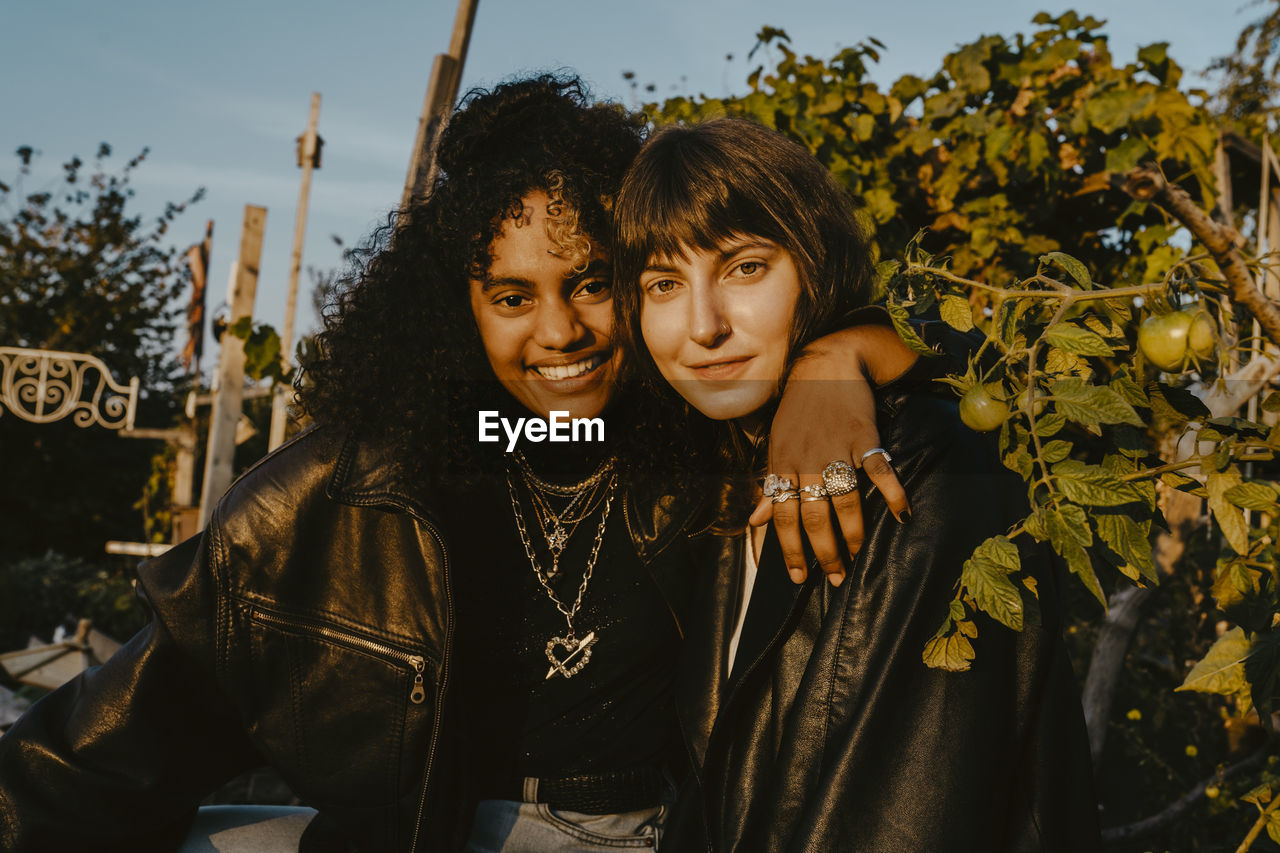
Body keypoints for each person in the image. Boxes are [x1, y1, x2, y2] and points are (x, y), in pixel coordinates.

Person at [0, 77, 919, 852]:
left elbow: (960, 362)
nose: (559, 331)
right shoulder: (349, 489)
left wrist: (840, 356)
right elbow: (107, 741)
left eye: (592, 282)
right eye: (513, 295)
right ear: (455, 310)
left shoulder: (710, 436)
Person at [612, 117, 1101, 852]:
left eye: (745, 268)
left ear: (815, 260)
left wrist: (850, 348)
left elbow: (899, 815)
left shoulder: (917, 464)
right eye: (664, 283)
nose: (703, 325)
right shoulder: (723, 474)